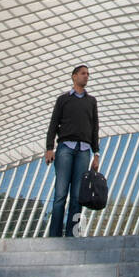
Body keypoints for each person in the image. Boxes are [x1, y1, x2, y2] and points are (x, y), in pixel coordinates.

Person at [45, 64, 100, 238]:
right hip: (65, 149)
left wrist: (96, 154)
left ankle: (72, 235)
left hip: (84, 151)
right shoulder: (63, 99)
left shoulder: (91, 101)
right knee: (60, 194)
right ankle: (54, 236)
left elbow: (95, 128)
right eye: (83, 73)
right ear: (74, 76)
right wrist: (49, 148)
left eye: (88, 74)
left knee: (77, 196)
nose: (86, 76)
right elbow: (53, 124)